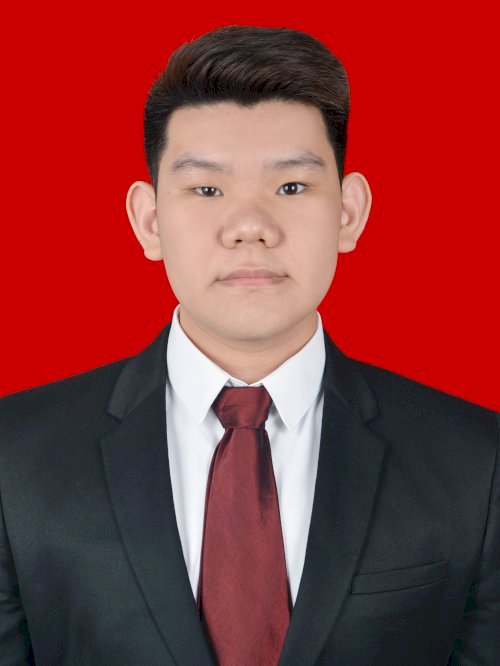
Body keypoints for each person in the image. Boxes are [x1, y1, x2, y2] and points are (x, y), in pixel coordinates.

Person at [0, 24, 498, 666]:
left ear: (348, 213)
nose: (250, 228)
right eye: (206, 190)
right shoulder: (15, 457)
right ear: (149, 221)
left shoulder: (477, 462)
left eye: (291, 187)